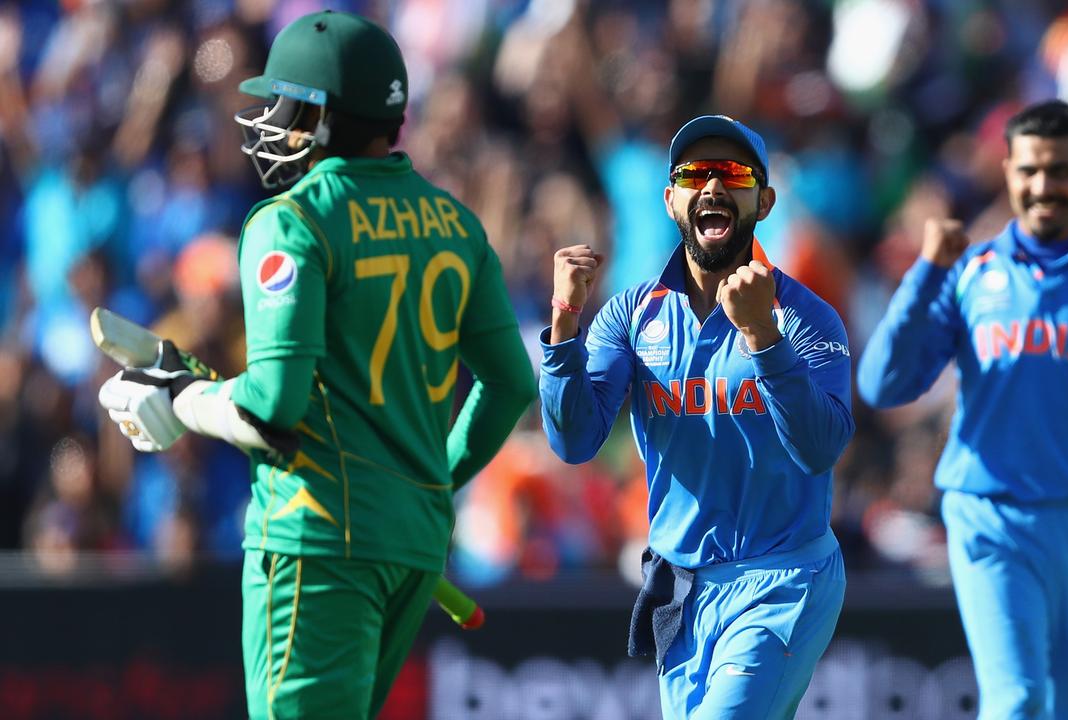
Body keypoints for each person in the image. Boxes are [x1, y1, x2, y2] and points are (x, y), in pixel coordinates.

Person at [97, 11, 536, 719]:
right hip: (412, 546)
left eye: (283, 104)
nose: (270, 121)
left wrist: (182, 401)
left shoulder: (291, 221)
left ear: (321, 115)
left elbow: (275, 405)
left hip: (318, 539)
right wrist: (426, 482)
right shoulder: (456, 223)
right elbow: (511, 384)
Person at [857, 99, 1068, 719]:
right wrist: (926, 272)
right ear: (1008, 172)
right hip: (988, 514)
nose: (1043, 187)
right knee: (1017, 699)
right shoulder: (971, 272)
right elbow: (884, 384)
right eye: (1028, 171)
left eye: (1060, 171)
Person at [540, 114, 853, 719]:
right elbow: (575, 441)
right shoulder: (631, 315)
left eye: (732, 173)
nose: (712, 186)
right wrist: (563, 325)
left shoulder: (808, 318)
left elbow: (820, 447)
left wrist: (763, 336)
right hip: (682, 588)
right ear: (670, 200)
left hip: (784, 577)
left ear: (763, 200)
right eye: (694, 173)